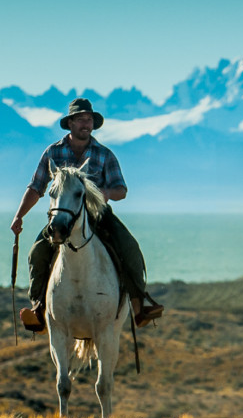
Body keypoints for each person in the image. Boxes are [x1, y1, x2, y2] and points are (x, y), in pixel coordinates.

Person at [11, 98, 163, 332]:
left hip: (98, 215)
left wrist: (105, 193)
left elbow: (121, 190)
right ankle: (39, 309)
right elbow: (36, 187)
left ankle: (138, 307)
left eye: (89, 120)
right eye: (81, 119)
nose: (86, 124)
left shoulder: (104, 154)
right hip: (62, 218)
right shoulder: (53, 152)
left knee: (130, 248)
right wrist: (19, 216)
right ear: (70, 123)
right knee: (36, 254)